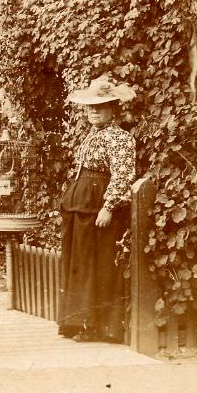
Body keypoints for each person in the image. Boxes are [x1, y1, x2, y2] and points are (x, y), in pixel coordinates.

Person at [57, 74, 136, 343]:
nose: (93, 111)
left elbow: (123, 174)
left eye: (99, 107)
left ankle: (100, 327)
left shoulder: (119, 138)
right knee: (81, 265)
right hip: (81, 208)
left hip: (99, 210)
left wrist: (109, 207)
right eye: (90, 107)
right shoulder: (93, 135)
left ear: (113, 110)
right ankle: (80, 322)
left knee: (98, 266)